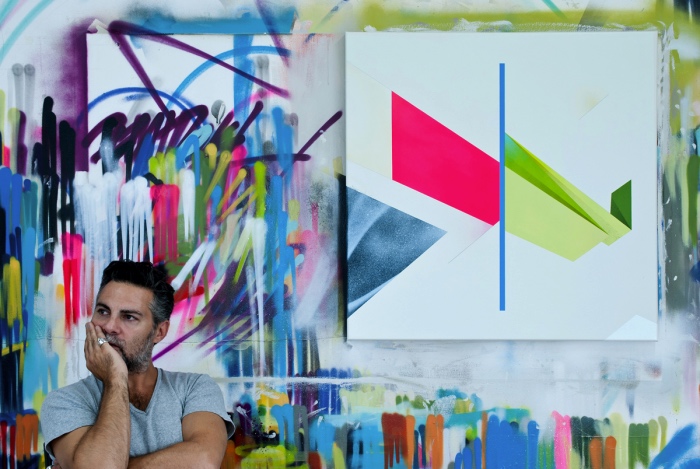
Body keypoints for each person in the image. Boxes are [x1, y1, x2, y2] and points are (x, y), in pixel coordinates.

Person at [41, 260, 234, 469]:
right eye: (103, 311)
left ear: (159, 332)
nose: (110, 327)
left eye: (129, 317)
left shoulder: (194, 388)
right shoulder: (64, 402)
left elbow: (204, 461)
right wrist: (116, 379)